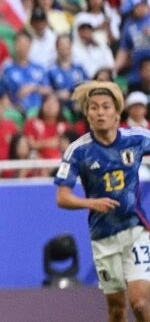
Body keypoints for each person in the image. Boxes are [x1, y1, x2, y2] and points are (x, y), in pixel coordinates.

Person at [55, 81, 150, 322]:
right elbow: (62, 197)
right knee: (117, 310)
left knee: (139, 303)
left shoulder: (137, 138)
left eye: (106, 107)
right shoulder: (78, 151)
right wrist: (91, 203)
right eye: (94, 107)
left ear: (118, 113)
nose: (100, 112)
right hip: (103, 237)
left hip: (135, 230)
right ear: (87, 114)